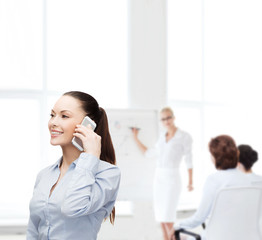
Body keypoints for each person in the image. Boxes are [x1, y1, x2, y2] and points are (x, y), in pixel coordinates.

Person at [26, 91, 121, 240]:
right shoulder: (44, 175)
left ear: (88, 125)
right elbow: (33, 230)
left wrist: (90, 156)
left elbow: (72, 208)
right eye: (52, 115)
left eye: (64, 116)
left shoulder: (108, 173)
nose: (53, 122)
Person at [169, 135, 251, 240]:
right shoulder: (247, 181)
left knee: (178, 235)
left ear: (215, 158)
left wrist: (176, 226)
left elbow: (199, 218)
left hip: (217, 237)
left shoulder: (214, 180)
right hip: (244, 236)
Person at [131, 107, 193, 240]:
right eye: (163, 119)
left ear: (173, 117)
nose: (166, 121)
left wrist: (191, 181)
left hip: (172, 178)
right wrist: (136, 137)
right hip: (159, 179)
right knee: (161, 218)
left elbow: (189, 160)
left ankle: (175, 238)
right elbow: (148, 153)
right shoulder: (162, 137)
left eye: (168, 117)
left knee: (168, 216)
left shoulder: (184, 136)